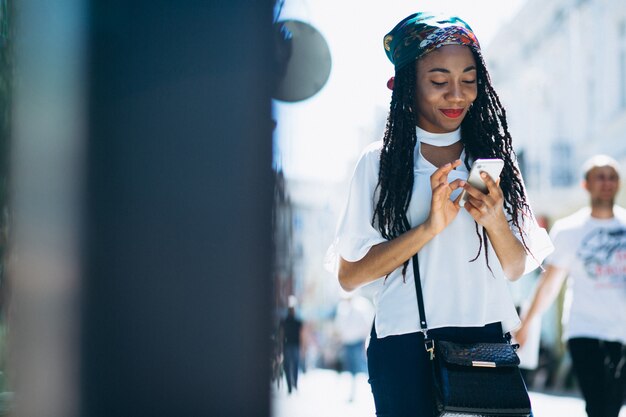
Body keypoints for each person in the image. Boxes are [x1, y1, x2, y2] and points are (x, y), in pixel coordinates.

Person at [326, 12, 553, 416]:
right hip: (405, 344)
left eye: (468, 80)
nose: (456, 95)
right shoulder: (379, 163)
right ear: (408, 85)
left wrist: (496, 221)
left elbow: (516, 268)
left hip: (485, 341)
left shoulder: (492, 162)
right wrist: (429, 228)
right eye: (438, 81)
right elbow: (350, 276)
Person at [515, 155, 626, 417]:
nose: (606, 182)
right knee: (599, 405)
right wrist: (528, 322)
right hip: (584, 329)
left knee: (614, 403)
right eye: (600, 176)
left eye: (612, 177)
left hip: (622, 331)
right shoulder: (569, 229)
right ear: (585, 184)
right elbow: (551, 283)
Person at [334, 292, 375, 402]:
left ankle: (371, 390)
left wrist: (365, 340)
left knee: (363, 366)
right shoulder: (343, 308)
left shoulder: (361, 306)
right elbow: (339, 326)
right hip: (348, 342)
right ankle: (353, 393)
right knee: (352, 369)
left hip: (358, 342)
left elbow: (367, 323)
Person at [279, 296, 303, 394]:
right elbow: (281, 334)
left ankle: (293, 385)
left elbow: (301, 334)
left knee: (292, 366)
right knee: (290, 366)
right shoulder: (286, 321)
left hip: (292, 346)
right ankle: (291, 385)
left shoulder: (295, 322)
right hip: (289, 346)